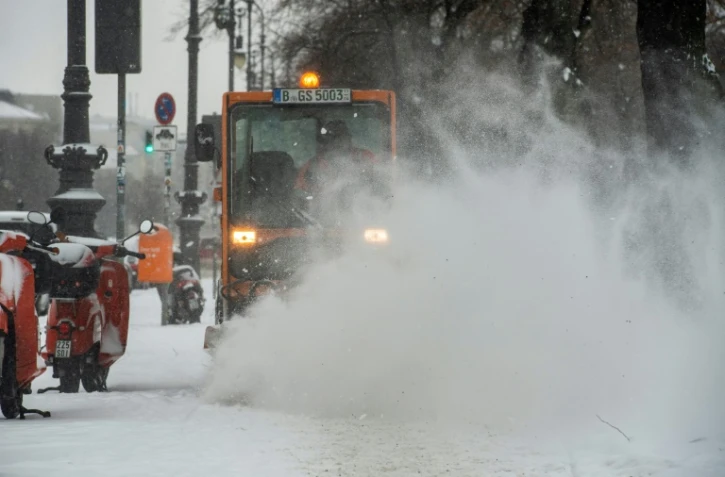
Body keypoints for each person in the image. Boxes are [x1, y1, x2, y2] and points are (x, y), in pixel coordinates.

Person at [294, 119, 377, 193]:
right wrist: (318, 190)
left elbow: (380, 179)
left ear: (348, 137)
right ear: (327, 142)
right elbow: (300, 187)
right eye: (335, 138)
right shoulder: (312, 164)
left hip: (363, 205)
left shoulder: (365, 156)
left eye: (342, 136)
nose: (339, 142)